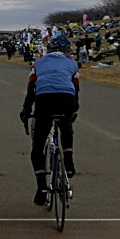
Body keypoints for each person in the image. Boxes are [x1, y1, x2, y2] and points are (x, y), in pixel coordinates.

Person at [19, 37, 80, 205]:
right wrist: (74, 110)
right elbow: (76, 89)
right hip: (66, 98)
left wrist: (26, 111)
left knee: (38, 146)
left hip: (44, 99)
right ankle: (68, 161)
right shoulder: (72, 63)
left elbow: (31, 90)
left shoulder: (38, 63)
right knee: (66, 126)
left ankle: (42, 188)